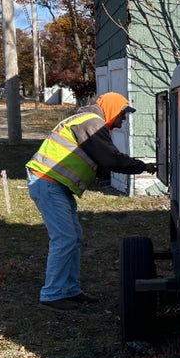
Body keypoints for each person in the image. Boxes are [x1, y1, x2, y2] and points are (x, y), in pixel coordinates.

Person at [26, 92, 158, 312]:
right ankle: (52, 294)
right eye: (123, 114)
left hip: (56, 184)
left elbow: (102, 163)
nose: (123, 120)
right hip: (48, 182)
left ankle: (70, 291)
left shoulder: (89, 122)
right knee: (65, 239)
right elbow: (110, 158)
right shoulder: (91, 123)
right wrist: (142, 166)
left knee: (73, 238)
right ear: (113, 109)